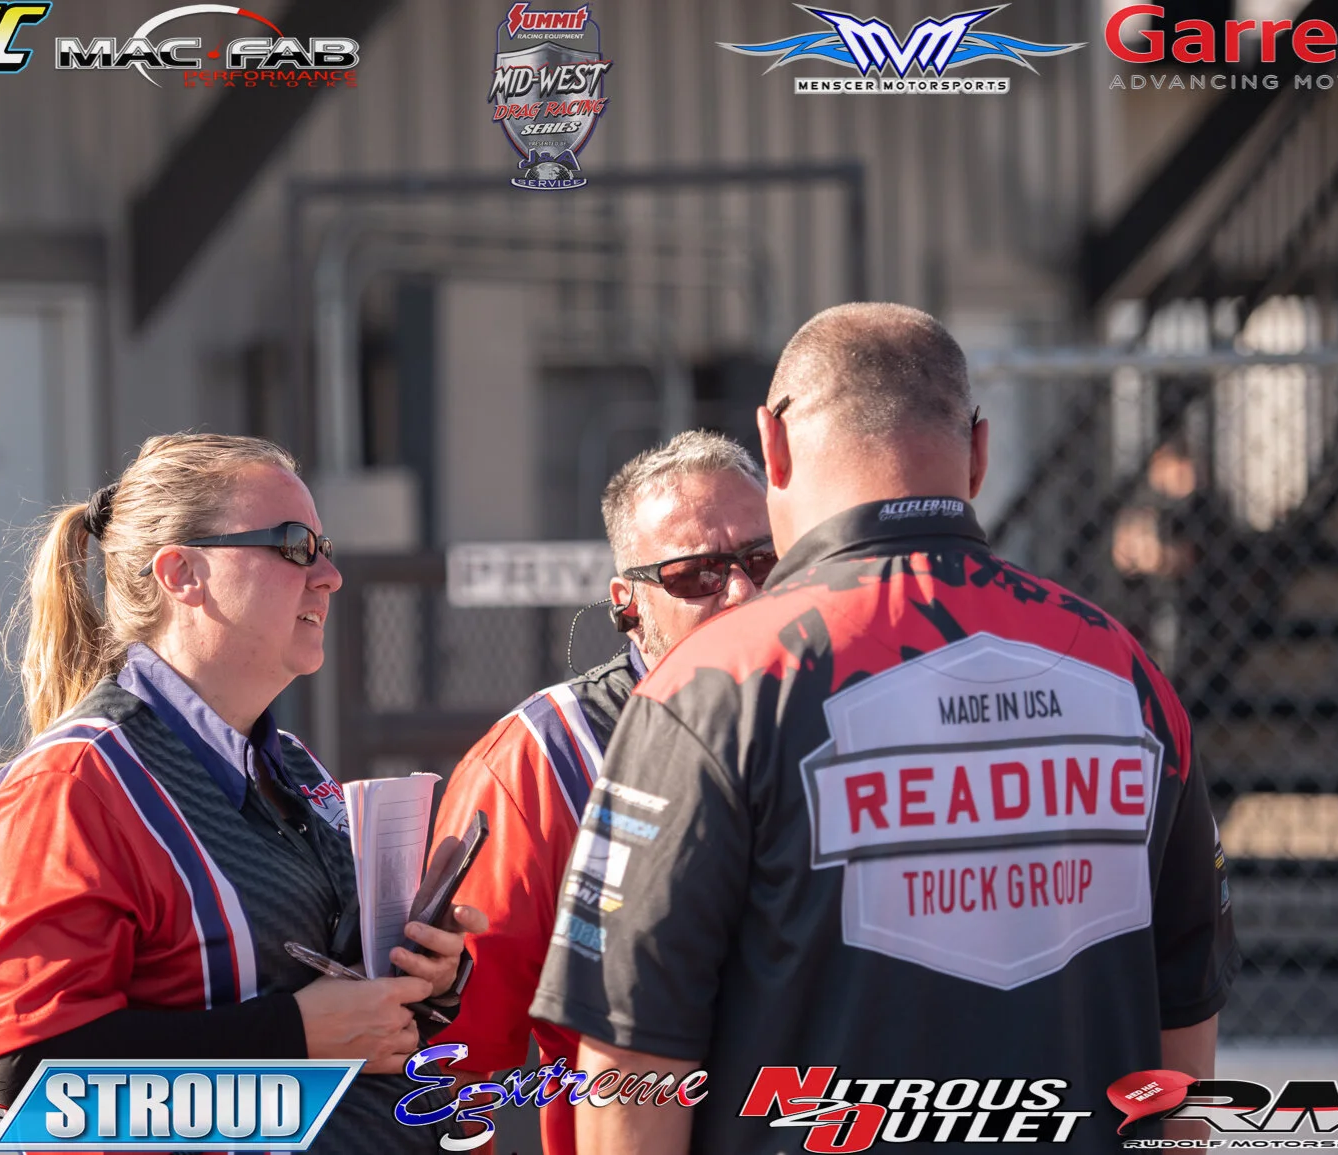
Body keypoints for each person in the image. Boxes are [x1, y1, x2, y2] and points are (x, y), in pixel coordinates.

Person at [530, 304, 1240, 1153]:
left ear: (772, 445)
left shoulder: (708, 687)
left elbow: (629, 1062)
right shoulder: (1127, 673)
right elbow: (1184, 1036)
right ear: (978, 452)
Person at [0, 433, 483, 1151]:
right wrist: (290, 1037)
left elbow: (345, 1008)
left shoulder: (291, 763)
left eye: (326, 548)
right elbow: (34, 1085)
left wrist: (426, 976)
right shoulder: (71, 787)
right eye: (295, 546)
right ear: (181, 574)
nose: (330, 576)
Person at [430, 430, 774, 1155]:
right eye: (696, 574)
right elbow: (454, 1065)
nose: (743, 591)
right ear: (628, 603)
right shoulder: (539, 760)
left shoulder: (856, 710)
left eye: (765, 560)